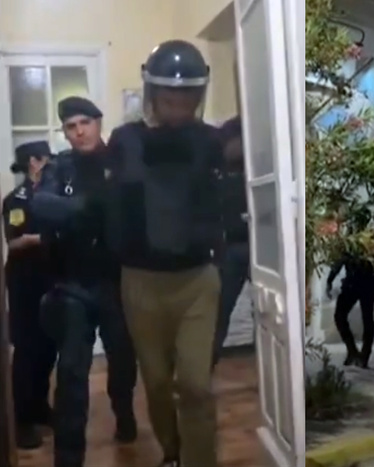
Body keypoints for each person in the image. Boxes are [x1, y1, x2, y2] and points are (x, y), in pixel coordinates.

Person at [103, 40, 223, 467]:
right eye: (170, 97)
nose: (178, 106)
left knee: (195, 385)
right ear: (153, 93)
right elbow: (111, 207)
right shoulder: (125, 140)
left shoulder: (212, 141)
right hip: (141, 282)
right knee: (155, 382)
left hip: (196, 282)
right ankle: (172, 453)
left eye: (186, 97)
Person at [31, 96, 138, 467]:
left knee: (123, 363)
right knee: (72, 373)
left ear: (98, 122)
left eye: (85, 123)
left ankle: (125, 416)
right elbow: (41, 205)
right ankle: (68, 457)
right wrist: (87, 207)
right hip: (72, 284)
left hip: (116, 283)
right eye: (71, 127)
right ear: (65, 132)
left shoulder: (120, 162)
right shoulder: (60, 168)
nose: (79, 132)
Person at [2, 141, 56, 449]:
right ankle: (22, 421)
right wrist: (46, 237)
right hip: (25, 282)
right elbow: (15, 242)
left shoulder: (53, 196)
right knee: (27, 349)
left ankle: (39, 407)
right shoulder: (17, 200)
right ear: (34, 163)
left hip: (50, 278)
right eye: (47, 161)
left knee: (48, 347)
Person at [326, 208, 374, 368]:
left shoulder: (373, 239)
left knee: (366, 319)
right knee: (341, 316)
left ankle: (363, 355)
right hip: (353, 283)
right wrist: (330, 280)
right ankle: (353, 351)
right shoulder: (352, 239)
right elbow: (340, 260)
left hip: (367, 283)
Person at [212, 116, 250, 367]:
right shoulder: (219, 174)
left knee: (273, 310)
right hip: (232, 247)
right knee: (219, 312)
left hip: (258, 242)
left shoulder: (259, 166)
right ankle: (204, 369)